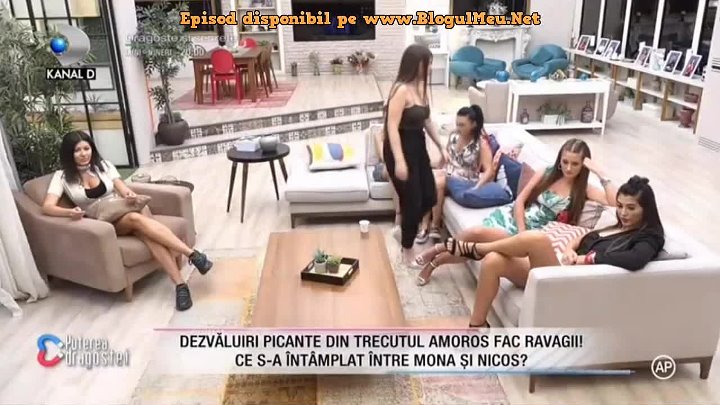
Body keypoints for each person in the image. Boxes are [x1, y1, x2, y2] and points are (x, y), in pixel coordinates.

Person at [442, 176, 664, 328]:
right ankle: (477, 326)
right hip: (562, 266)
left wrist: (589, 258)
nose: (623, 213)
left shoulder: (649, 236)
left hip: (575, 282)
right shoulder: (618, 225)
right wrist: (569, 249)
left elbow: (635, 259)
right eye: (620, 206)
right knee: (493, 261)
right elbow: (582, 238)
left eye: (631, 208)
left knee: (537, 239)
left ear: (646, 209)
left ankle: (478, 249)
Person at [41, 131, 213, 311]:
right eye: (78, 150)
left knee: (145, 231)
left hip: (122, 210)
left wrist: (129, 195)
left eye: (87, 148)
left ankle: (180, 286)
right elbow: (47, 207)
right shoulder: (61, 177)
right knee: (135, 218)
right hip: (105, 223)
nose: (84, 154)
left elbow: (123, 189)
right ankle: (193, 255)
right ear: (69, 153)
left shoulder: (104, 166)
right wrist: (69, 212)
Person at [414, 138, 618, 285]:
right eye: (565, 162)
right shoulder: (547, 172)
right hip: (514, 219)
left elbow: (615, 202)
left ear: (584, 165)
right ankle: (436, 257)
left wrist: (600, 172)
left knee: (478, 242)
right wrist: (522, 232)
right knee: (476, 236)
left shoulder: (584, 189)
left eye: (575, 163)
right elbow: (520, 201)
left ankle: (435, 259)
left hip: (536, 234)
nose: (568, 168)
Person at [383, 44, 447, 265]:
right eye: (428, 63)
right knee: (412, 200)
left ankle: (402, 231)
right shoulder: (400, 90)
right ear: (416, 65)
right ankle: (407, 250)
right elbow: (391, 127)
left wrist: (441, 146)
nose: (430, 68)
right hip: (399, 148)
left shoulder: (421, 89)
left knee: (429, 195)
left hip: (418, 147)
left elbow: (427, 120)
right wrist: (399, 160)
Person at [415, 105, 513, 244]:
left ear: (473, 124)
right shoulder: (454, 136)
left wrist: (478, 186)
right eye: (457, 124)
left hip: (465, 180)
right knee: (429, 178)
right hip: (448, 173)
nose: (458, 127)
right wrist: (434, 167)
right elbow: (446, 158)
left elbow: (489, 170)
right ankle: (427, 225)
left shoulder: (481, 144)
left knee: (438, 181)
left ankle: (432, 226)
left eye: (462, 125)